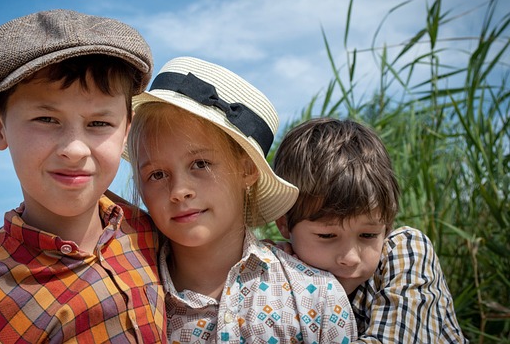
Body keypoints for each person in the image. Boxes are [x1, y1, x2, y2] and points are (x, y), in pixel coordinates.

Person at [0, 9, 167, 343]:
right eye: (46, 119)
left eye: (99, 124)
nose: (75, 149)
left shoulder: (150, 232)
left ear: (125, 133)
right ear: (1, 131)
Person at [126, 56, 357, 343]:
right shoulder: (126, 298)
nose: (179, 190)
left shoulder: (316, 296)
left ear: (248, 169)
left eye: (201, 164)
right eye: (157, 174)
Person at [273, 117, 468, 343]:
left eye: (368, 235)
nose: (351, 258)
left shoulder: (407, 251)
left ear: (386, 225)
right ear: (285, 224)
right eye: (327, 235)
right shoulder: (278, 267)